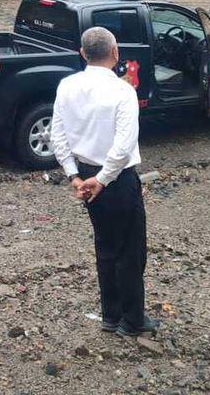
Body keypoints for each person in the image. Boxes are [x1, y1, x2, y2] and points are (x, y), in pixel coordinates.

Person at [49, 26, 159, 338]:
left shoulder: (66, 86)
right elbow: (124, 146)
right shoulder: (123, 90)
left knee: (105, 245)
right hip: (116, 179)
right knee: (130, 250)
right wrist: (103, 179)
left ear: (82, 54)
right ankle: (132, 320)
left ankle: (111, 315)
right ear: (115, 53)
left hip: (84, 174)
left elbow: (58, 136)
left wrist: (74, 176)